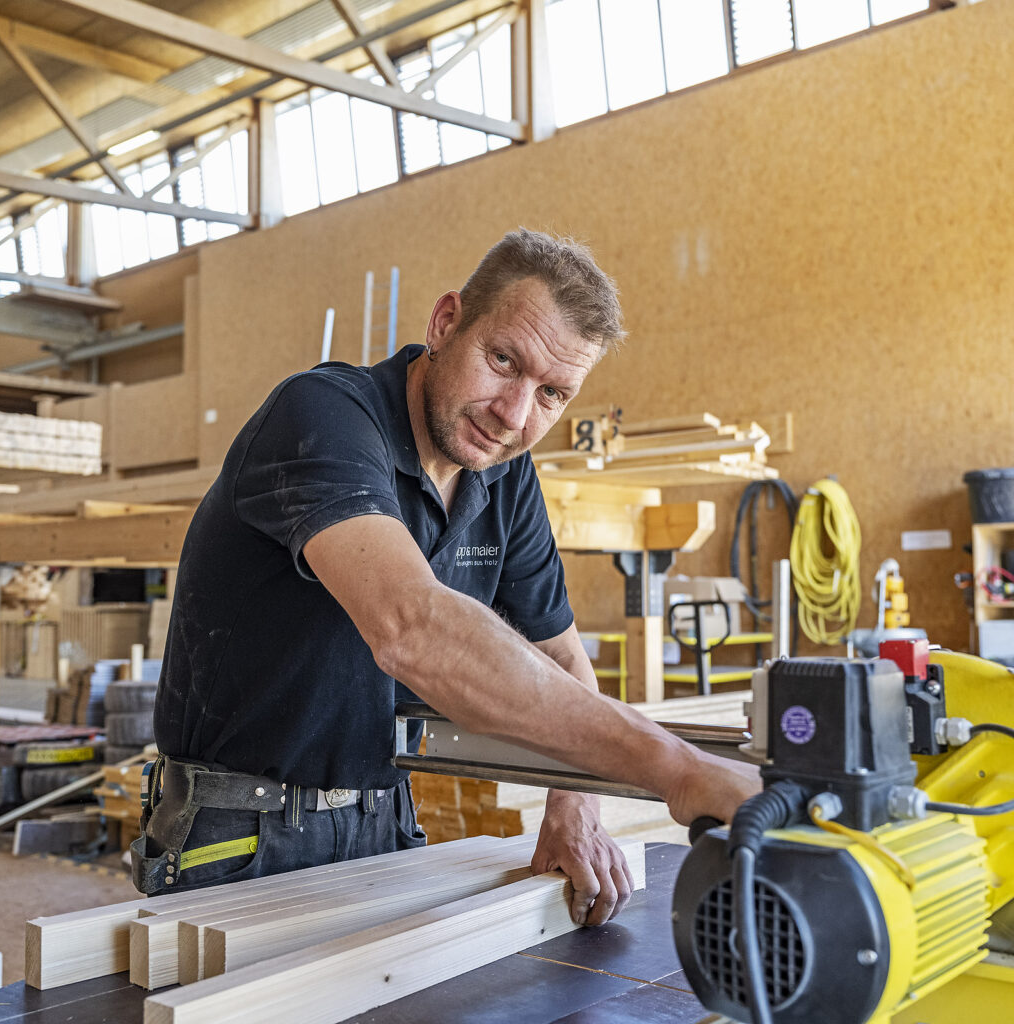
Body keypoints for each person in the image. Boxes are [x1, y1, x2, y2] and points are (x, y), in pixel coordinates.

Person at [134, 228, 759, 924]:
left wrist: (574, 801)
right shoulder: (321, 416)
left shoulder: (504, 474)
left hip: (384, 815)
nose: (513, 414)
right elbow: (413, 630)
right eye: (503, 360)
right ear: (445, 323)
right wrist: (678, 770)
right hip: (238, 832)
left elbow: (561, 656)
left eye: (552, 394)